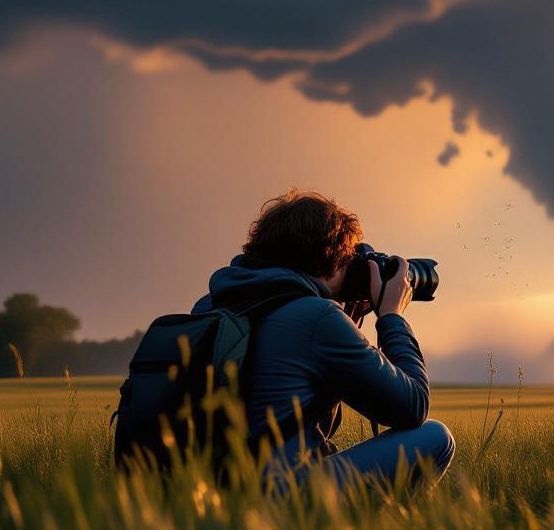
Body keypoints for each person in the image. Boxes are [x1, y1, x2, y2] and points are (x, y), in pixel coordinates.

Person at [191, 189, 454, 487]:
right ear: (333, 259)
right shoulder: (317, 317)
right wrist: (392, 315)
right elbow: (413, 406)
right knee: (434, 436)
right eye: (349, 260)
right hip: (276, 497)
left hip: (204, 492)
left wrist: (348, 325)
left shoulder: (213, 306)